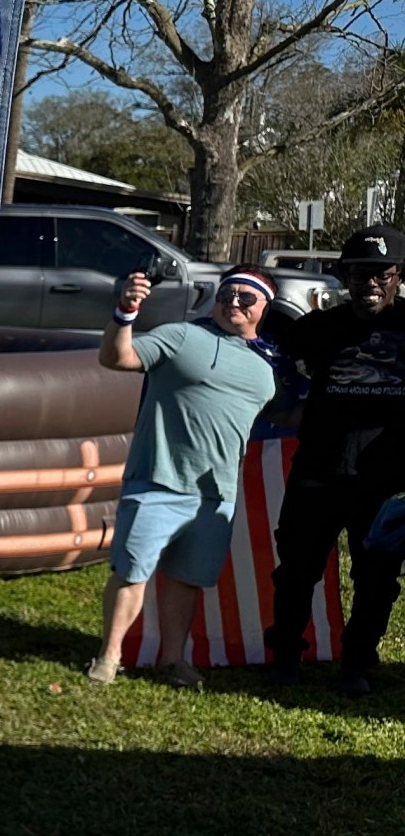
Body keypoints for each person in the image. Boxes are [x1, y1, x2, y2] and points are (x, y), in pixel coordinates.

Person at [86, 268, 280, 687]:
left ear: (265, 307)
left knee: (187, 580)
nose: (234, 303)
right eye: (228, 293)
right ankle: (109, 656)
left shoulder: (266, 367)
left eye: (247, 298)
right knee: (132, 572)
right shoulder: (180, 336)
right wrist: (126, 311)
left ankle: (172, 660)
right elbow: (116, 358)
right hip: (157, 479)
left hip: (216, 496)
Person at [262, 224, 405, 693]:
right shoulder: (315, 329)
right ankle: (285, 656)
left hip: (385, 480)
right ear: (344, 277)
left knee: (377, 577)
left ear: (398, 276)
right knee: (297, 571)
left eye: (381, 274)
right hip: (318, 471)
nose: (370, 284)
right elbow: (269, 373)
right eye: (359, 274)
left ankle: (357, 663)